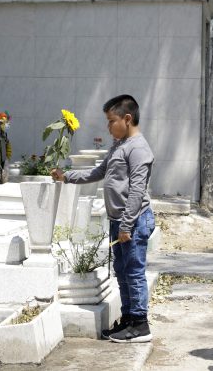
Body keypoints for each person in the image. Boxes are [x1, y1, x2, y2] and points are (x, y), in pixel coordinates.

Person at [51, 94, 154, 343]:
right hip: (119, 220)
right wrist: (67, 176)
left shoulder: (138, 148)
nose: (108, 127)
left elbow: (137, 191)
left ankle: (140, 325)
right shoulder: (119, 145)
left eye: (111, 121)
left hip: (134, 220)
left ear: (127, 119)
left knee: (134, 271)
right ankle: (128, 318)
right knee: (121, 270)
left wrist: (127, 224)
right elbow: (100, 171)